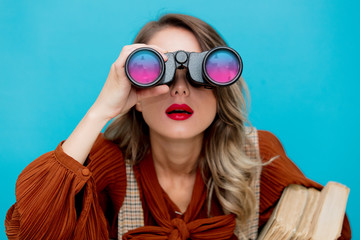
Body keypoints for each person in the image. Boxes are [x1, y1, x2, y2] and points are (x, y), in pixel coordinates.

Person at [5, 14, 351, 240]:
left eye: (201, 75)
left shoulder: (258, 155)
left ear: (221, 85)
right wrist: (101, 110)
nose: (180, 89)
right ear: (134, 90)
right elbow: (32, 229)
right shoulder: (108, 163)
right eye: (160, 72)